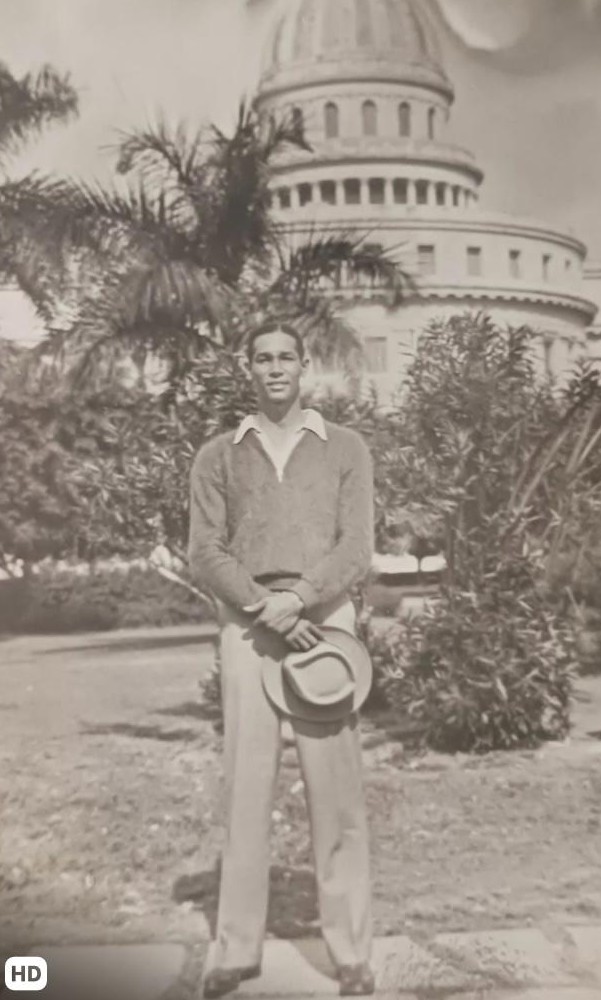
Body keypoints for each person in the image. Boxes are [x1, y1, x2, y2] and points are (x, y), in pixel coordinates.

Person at [188, 321, 376, 997]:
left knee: (338, 795)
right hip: (247, 626)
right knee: (245, 789)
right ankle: (235, 950)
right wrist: (261, 606)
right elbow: (204, 551)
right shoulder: (218, 454)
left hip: (325, 626)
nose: (274, 369)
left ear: (304, 366)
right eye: (262, 358)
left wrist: (300, 597)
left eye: (285, 358)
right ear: (248, 367)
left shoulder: (344, 447)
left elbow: (355, 546)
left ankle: (351, 952)